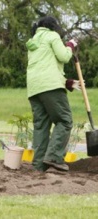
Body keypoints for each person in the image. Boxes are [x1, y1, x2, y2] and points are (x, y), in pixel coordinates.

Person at [26, 16, 79, 172]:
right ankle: (54, 157)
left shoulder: (34, 41)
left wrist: (67, 82)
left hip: (34, 89)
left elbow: (45, 67)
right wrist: (70, 45)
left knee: (41, 126)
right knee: (65, 120)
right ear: (53, 26)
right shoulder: (52, 36)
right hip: (51, 87)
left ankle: (39, 165)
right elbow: (63, 56)